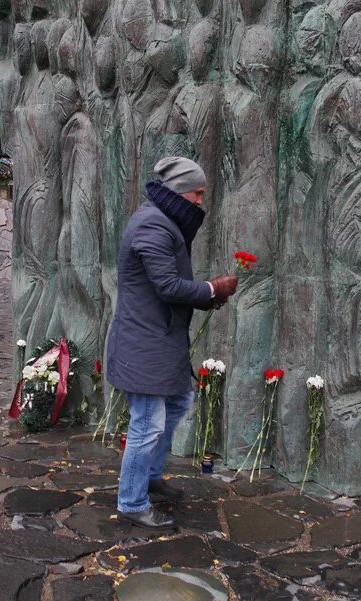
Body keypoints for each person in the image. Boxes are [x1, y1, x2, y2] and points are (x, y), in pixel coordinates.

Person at [106, 157, 239, 529]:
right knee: (147, 423)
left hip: (156, 341)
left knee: (179, 401)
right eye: (197, 193)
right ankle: (132, 502)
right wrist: (213, 288)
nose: (200, 201)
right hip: (143, 344)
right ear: (180, 190)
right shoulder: (153, 224)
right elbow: (166, 285)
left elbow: (166, 286)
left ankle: (147, 475)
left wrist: (206, 295)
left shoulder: (162, 220)